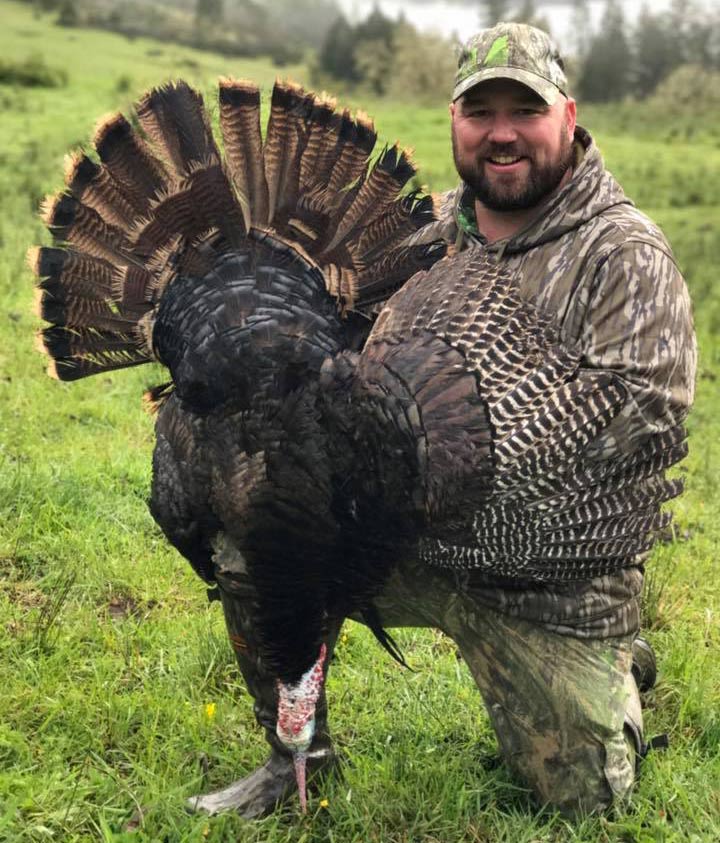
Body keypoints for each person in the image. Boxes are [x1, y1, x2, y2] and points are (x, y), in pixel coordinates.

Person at [194, 22, 696, 820]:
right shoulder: (416, 234)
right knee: (262, 534)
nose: (502, 133)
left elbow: (644, 422)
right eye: (480, 111)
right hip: (408, 539)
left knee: (582, 799)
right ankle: (296, 757)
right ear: (455, 122)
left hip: (550, 573)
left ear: (567, 115)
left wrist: (471, 456)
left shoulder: (622, 254)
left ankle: (617, 668)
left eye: (524, 110)